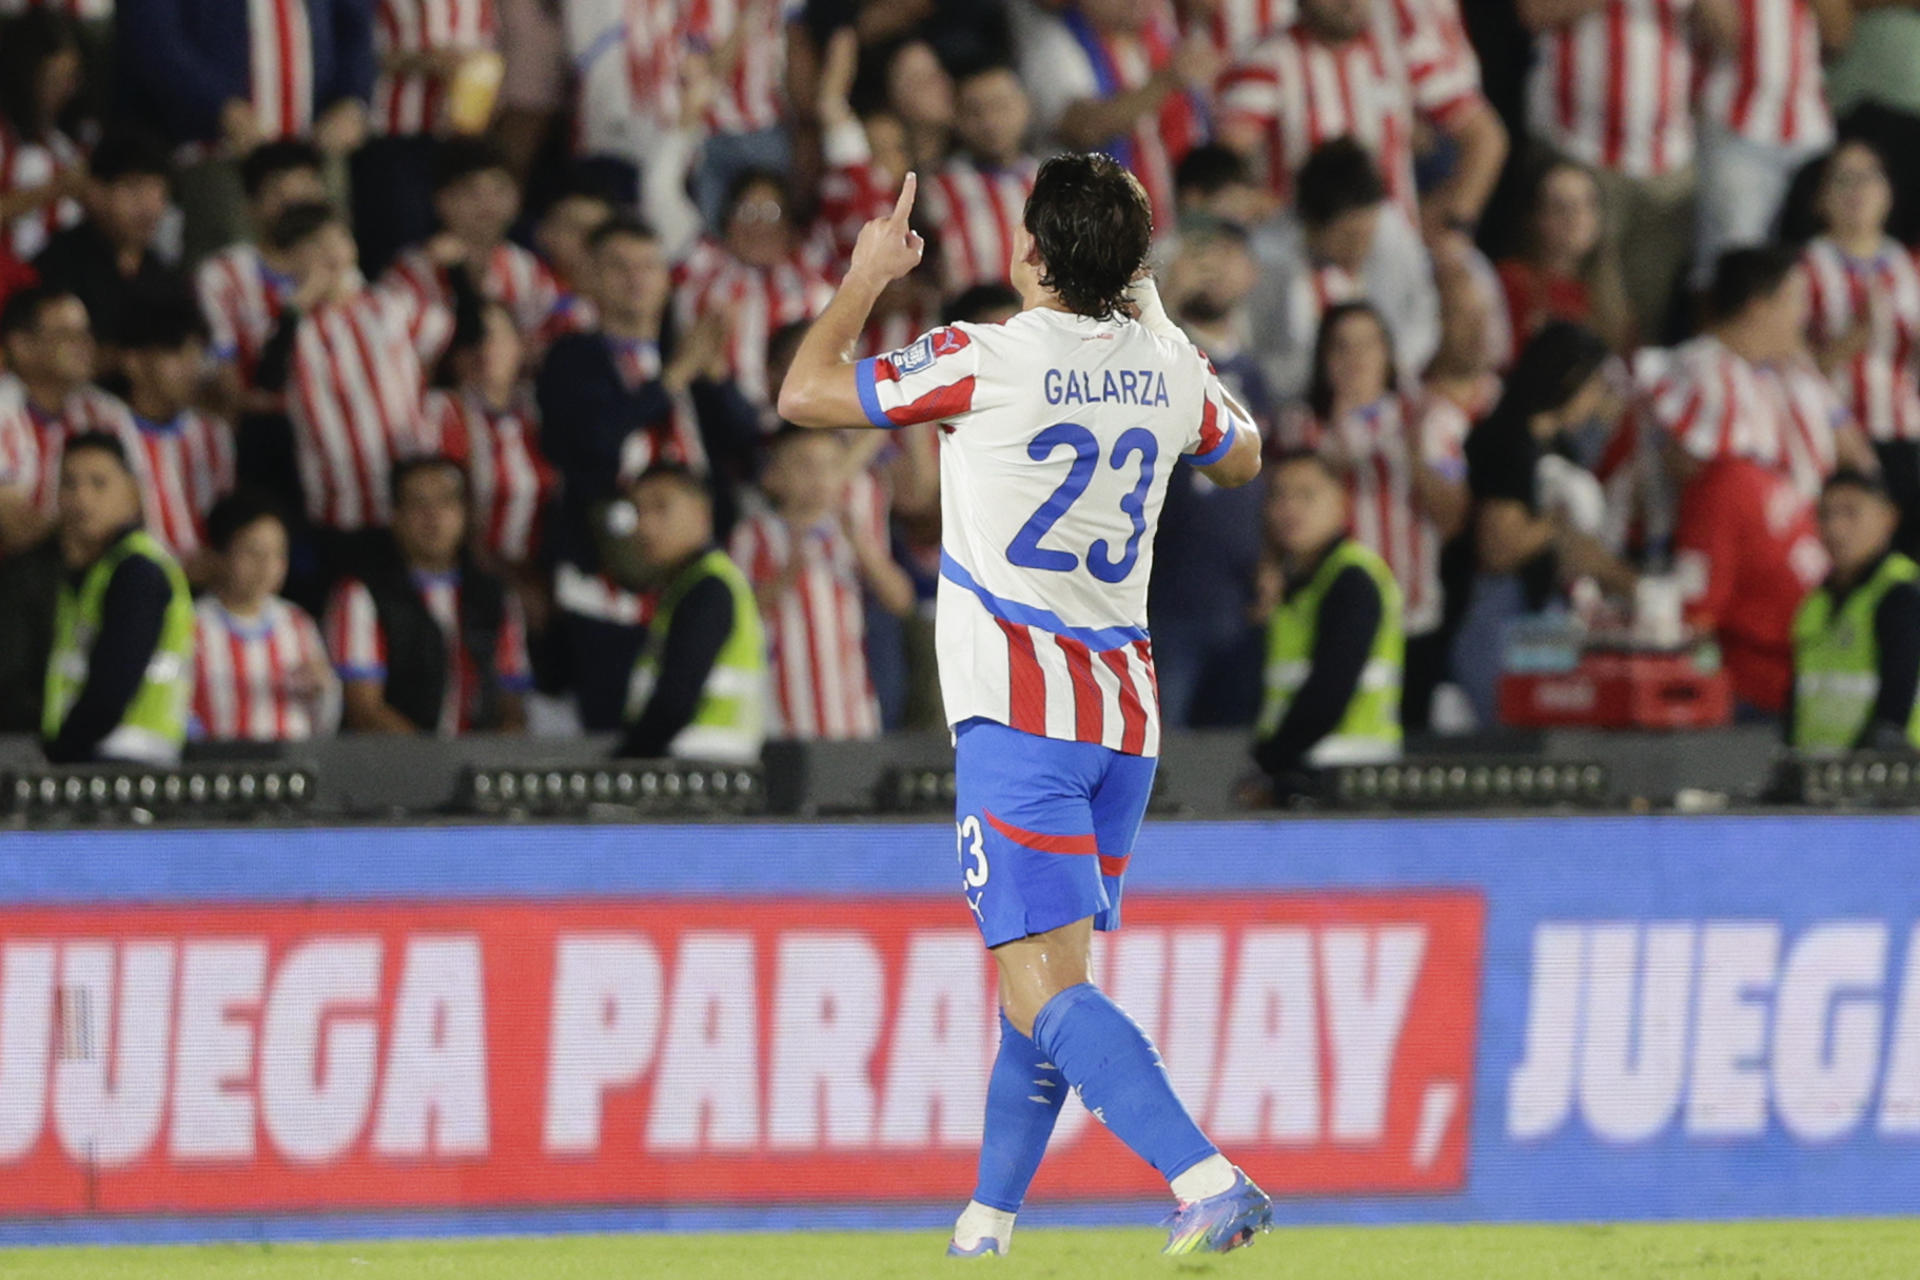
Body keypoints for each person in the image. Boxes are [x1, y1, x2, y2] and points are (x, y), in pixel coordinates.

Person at [778, 155, 1270, 1257]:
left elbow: (806, 393)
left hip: (1021, 715)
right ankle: (985, 1224)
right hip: (1123, 725)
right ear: (1135, 264)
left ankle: (1207, 1174)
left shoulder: (980, 357)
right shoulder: (1171, 363)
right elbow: (1242, 456)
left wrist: (865, 277)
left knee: (1042, 983)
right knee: (1038, 987)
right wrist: (1150, 314)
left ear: (1028, 253)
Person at [536, 216, 739, 732]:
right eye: (619, 268)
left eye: (649, 267)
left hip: (691, 586)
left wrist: (713, 382)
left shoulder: (685, 359)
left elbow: (741, 453)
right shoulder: (572, 357)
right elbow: (590, 446)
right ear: (589, 279)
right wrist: (672, 378)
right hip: (607, 591)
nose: (636, 279)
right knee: (618, 740)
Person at [1280, 302, 1468, 731]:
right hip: (1324, 614)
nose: (1356, 358)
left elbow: (1454, 518)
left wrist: (1415, 455)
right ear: (1324, 359)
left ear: (1388, 353)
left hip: (1412, 618)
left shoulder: (1430, 419)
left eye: (1368, 344)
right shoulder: (1300, 426)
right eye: (1342, 347)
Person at [1451, 321, 1637, 724]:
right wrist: (1558, 528)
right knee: (1520, 745)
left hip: (1550, 620)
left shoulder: (1560, 446)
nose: (1596, 401)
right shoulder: (1507, 442)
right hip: (1502, 620)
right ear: (1570, 378)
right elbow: (1498, 548)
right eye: (1594, 386)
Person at [114, 0, 373, 267]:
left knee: (329, 266)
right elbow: (154, 38)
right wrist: (217, 107)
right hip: (220, 151)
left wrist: (352, 99)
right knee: (231, 274)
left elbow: (355, 27)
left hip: (316, 150)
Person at [1216, 0, 1507, 235]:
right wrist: (1282, 213)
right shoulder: (1270, 60)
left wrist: (1452, 221)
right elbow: (1225, 160)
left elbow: (1485, 136)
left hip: (1391, 251)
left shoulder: (1401, 52)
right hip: (1308, 249)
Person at [1519, 0, 1697, 343]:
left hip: (1666, 166)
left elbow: (1728, 34)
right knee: (1564, 311)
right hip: (1576, 147)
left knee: (1641, 320)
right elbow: (1533, 11)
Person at [324, 454, 530, 735]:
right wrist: (434, 764)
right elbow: (363, 709)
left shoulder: (495, 594)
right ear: (395, 516)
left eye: (446, 502)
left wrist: (500, 744)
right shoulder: (360, 594)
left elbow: (512, 696)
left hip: (478, 765)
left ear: (465, 513)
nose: (433, 516)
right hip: (397, 769)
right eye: (418, 503)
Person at [729, 427, 914, 740]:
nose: (819, 477)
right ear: (773, 476)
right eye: (805, 465)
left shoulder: (850, 532)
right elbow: (739, 614)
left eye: (830, 466)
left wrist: (862, 547)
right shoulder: (755, 535)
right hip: (781, 713)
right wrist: (787, 574)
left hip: (851, 712)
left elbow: (901, 601)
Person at [1642, 245, 1865, 503]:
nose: (1805, 314)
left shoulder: (1796, 371)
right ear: (1758, 307)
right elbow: (1705, 483)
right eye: (1796, 300)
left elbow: (1857, 456)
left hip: (1807, 531)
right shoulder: (1701, 372)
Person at [1251, 449, 1405, 794]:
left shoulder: (1352, 580)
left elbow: (1331, 686)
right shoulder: (1297, 585)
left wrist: (1268, 762)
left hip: (1348, 781)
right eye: (1279, 495)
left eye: (1306, 495)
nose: (1289, 508)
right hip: (1313, 773)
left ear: (1341, 502)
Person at [41, 430, 195, 764]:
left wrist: (58, 756)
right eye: (69, 483)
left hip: (125, 767)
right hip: (106, 761)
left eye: (98, 483)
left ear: (132, 493)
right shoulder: (95, 570)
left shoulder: (138, 572)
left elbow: (110, 692)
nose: (81, 498)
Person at [1247, 138, 1440, 403]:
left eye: (1368, 235)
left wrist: (1378, 377)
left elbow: (1422, 320)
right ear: (1312, 226)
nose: (1362, 247)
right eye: (1349, 237)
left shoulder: (1389, 227)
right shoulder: (1266, 261)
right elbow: (1265, 362)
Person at [1798, 140, 1920, 542]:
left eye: (1869, 177)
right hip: (1837, 437)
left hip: (1904, 433)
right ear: (1820, 199)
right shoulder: (1806, 268)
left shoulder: (1908, 265)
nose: (1858, 189)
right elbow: (1787, 368)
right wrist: (1849, 342)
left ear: (1889, 194)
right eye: (1844, 179)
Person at [615, 463, 767, 762]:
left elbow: (676, 699)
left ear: (701, 513)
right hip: (711, 771)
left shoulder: (708, 588)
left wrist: (627, 762)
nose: (644, 525)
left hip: (699, 774)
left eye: (660, 507)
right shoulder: (690, 584)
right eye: (638, 511)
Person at [1015, 0, 1213, 230]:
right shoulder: (1055, 44)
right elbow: (1085, 127)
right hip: (1090, 226)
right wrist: (1165, 82)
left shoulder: (1153, 40)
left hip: (1164, 218)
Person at [1691, 0, 1843, 284]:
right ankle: (1720, 328)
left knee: (1813, 259)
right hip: (1738, 127)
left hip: (1808, 129)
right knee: (1733, 261)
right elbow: (1726, 35)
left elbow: (1838, 35)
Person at [1674, 455, 1826, 717]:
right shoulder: (1763, 474)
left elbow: (1698, 616)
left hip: (1760, 680)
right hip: (1814, 672)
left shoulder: (1717, 487)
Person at [191, 489, 339, 741]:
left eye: (278, 553)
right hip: (215, 765)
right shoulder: (192, 623)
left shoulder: (297, 623)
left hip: (291, 763)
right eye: (252, 552)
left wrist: (322, 691)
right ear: (218, 556)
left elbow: (325, 716)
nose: (266, 565)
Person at [104, 292, 236, 574]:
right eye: (177, 353)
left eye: (197, 352)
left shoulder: (213, 436)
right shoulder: (103, 427)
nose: (193, 367)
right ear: (133, 362)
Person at [1790, 468, 1920, 751]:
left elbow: (1894, 711)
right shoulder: (1814, 603)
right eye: (1825, 515)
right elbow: (1797, 699)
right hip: (1820, 779)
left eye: (1851, 512)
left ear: (1888, 517)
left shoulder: (1902, 596)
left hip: (1889, 781)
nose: (1835, 528)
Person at [383, 138, 561, 343]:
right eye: (471, 191)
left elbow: (554, 330)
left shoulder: (526, 269)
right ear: (441, 200)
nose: (487, 204)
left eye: (499, 190)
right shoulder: (411, 270)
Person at [29, 129, 182, 354]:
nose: (150, 207)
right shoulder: (58, 263)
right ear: (95, 192)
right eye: (134, 188)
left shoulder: (163, 275)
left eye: (158, 191)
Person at [195, 140, 331, 389]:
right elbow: (225, 382)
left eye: (304, 190)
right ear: (250, 206)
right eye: (278, 192)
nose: (293, 204)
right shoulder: (222, 274)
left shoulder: (339, 268)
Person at [919, 63, 1039, 292]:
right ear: (955, 116)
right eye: (975, 110)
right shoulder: (935, 188)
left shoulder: (1056, 186)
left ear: (1025, 105)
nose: (990, 121)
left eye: (1000, 106)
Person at [1496, 158, 1634, 354]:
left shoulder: (1611, 297)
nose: (1577, 218)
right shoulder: (1513, 281)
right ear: (1533, 218)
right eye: (1560, 207)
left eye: (1588, 204)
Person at [0, 11, 86, 265]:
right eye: (54, 80)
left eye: (71, 78)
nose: (67, 90)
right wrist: (54, 189)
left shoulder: (62, 138)